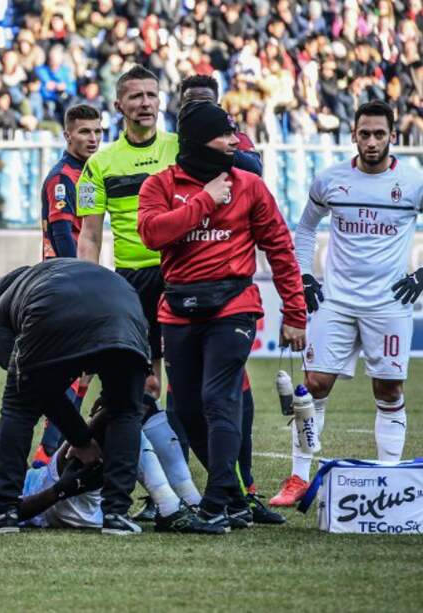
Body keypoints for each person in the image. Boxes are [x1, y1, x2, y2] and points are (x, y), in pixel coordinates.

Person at [137, 101, 307, 531]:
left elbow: (281, 250)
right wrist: (204, 202)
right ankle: (232, 497)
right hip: (177, 308)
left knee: (218, 399)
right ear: (197, 140)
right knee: (187, 409)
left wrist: (296, 313)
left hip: (234, 305)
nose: (235, 141)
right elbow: (152, 234)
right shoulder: (158, 185)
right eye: (225, 134)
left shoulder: (250, 186)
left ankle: (216, 501)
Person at [270, 100, 423, 507]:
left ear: (393, 136)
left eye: (379, 134)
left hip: (388, 304)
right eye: (364, 133)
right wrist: (304, 276)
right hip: (335, 301)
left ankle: (390, 479)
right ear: (353, 135)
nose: (371, 142)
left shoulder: (413, 182)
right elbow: (304, 227)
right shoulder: (330, 180)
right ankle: (298, 477)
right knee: (313, 386)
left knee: (389, 389)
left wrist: (421, 275)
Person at [75, 65, 201, 521]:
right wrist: (88, 288)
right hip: (130, 283)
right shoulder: (100, 163)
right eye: (135, 96)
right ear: (119, 106)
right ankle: (164, 494)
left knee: (187, 384)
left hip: (183, 274)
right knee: (143, 387)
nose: (145, 103)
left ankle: (186, 489)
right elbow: (89, 234)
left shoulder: (180, 149)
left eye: (151, 94)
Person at [0, 258, 160, 536]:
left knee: (18, 407)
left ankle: (4, 510)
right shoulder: (50, 274)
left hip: (55, 308)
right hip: (126, 308)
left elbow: (36, 391)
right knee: (124, 412)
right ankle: (117, 515)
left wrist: (81, 439)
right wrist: (80, 438)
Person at [0, 408, 221, 534]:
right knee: (116, 414)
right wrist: (65, 488)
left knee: (128, 404)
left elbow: (12, 486)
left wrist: (10, 457)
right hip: (57, 504)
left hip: (49, 480)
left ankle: (184, 501)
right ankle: (172, 506)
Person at [33, 103, 103, 465]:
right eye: (84, 132)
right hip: (65, 286)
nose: (92, 138)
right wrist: (80, 284)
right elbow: (62, 236)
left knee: (85, 371)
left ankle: (51, 450)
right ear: (68, 135)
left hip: (80, 282)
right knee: (69, 373)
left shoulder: (89, 174)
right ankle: (45, 455)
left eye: (97, 131)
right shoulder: (63, 178)